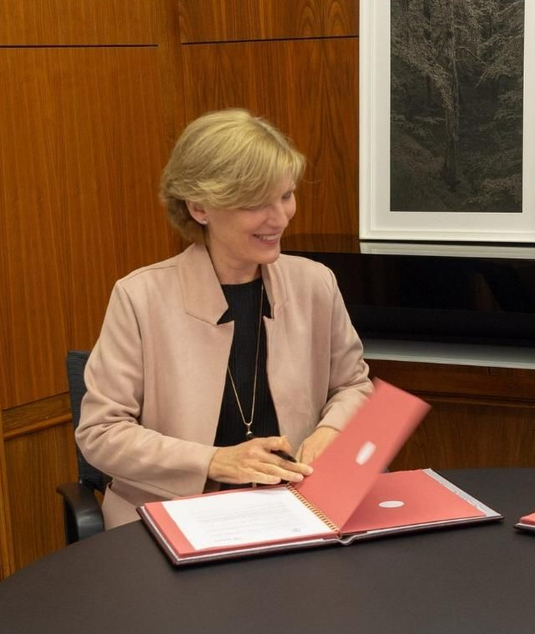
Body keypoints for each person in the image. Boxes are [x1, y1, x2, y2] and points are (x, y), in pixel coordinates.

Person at [77, 109, 373, 529]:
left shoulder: (315, 283)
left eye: (286, 195)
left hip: (297, 511)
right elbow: (101, 434)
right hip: (172, 519)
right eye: (256, 203)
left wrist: (332, 432)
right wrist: (214, 460)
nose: (281, 217)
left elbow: (352, 385)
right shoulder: (140, 296)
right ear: (199, 207)